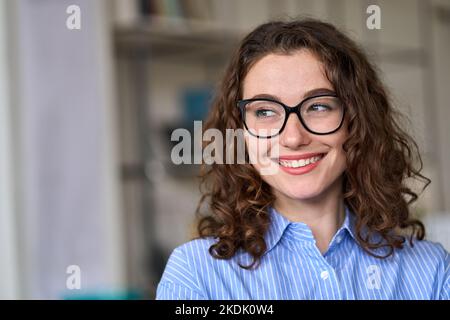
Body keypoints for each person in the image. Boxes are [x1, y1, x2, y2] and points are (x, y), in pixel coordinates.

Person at [156, 18, 449, 300]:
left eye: (319, 106)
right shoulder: (197, 276)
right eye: (265, 111)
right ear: (240, 130)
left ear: (356, 122)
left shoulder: (432, 271)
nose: (294, 138)